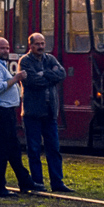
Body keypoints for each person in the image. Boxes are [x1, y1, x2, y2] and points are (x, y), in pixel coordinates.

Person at [0, 36, 34, 197]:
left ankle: (25, 181)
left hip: (5, 110)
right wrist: (16, 79)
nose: (6, 51)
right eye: (2, 48)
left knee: (13, 148)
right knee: (2, 150)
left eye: (7, 48)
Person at [19, 32, 72, 192]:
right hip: (32, 113)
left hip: (50, 112)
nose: (41, 47)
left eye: (42, 44)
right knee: (34, 149)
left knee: (54, 148)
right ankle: (38, 182)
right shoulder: (25, 61)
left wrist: (45, 74)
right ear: (31, 45)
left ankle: (57, 182)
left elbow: (62, 74)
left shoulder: (50, 59)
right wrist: (51, 77)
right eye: (37, 44)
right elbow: (32, 81)